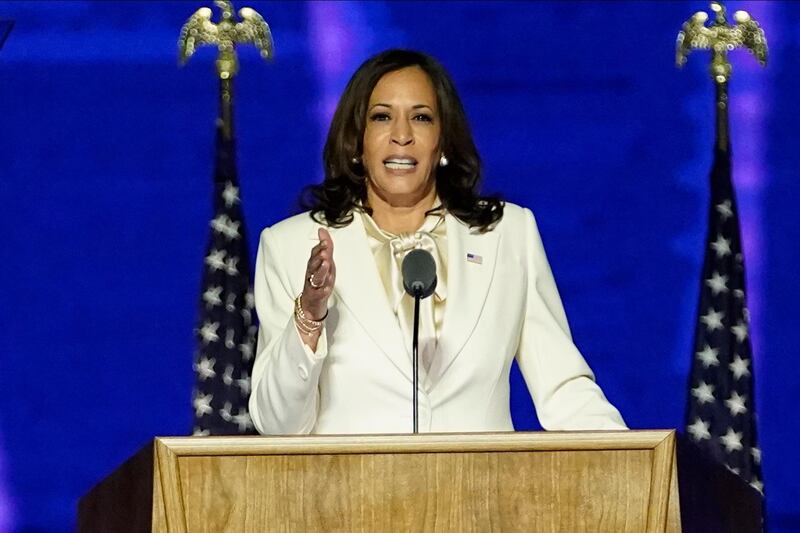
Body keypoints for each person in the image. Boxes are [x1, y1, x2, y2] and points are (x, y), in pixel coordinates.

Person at [249, 49, 626, 434]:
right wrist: (309, 317)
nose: (402, 135)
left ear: (442, 142)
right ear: (355, 141)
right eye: (382, 117)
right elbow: (278, 425)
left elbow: (565, 390)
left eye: (421, 117)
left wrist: (633, 470)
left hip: (481, 491)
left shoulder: (508, 234)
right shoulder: (290, 246)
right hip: (350, 492)